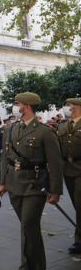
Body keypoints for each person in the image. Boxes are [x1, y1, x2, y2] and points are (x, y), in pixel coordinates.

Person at [0, 92, 63, 270]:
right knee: (31, 229)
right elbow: (5, 159)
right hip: (15, 184)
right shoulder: (10, 129)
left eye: (16, 104)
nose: (14, 107)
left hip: (35, 185)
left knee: (27, 227)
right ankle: (39, 267)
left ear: (25, 106)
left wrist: (56, 191)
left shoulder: (45, 132)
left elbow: (55, 163)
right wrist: (2, 183)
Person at [57, 98, 81, 255]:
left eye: (70, 105)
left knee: (80, 204)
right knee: (76, 204)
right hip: (67, 169)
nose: (67, 108)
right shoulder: (63, 125)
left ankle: (79, 240)